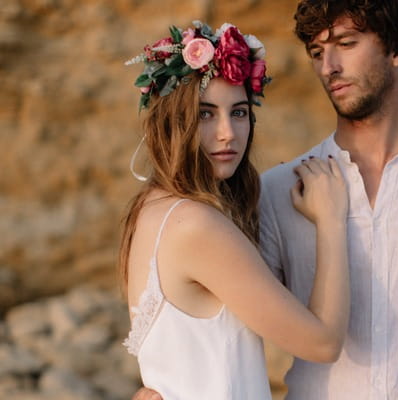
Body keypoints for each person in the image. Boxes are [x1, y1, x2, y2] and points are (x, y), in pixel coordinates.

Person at [136, 1, 398, 399]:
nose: (329, 67)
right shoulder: (278, 190)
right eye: (317, 52)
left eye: (346, 44)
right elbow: (206, 313)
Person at [120, 20, 350, 400]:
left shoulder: (151, 209)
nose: (228, 133)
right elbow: (323, 344)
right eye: (206, 114)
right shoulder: (195, 224)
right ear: (172, 120)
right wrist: (331, 221)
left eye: (239, 112)